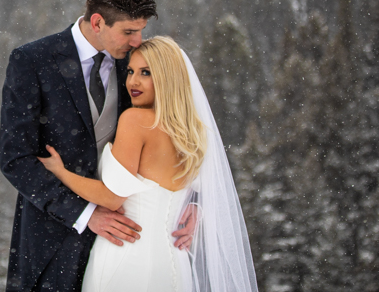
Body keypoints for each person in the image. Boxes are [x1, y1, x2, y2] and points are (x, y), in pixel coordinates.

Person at [1, 0, 194, 292]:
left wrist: (194, 202)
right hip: (54, 239)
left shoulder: (137, 65)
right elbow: (15, 159)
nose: (138, 41)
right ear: (97, 23)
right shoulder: (32, 61)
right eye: (129, 31)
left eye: (141, 31)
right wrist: (85, 213)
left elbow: (181, 128)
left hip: (132, 241)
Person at [38, 36, 259, 292]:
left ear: (167, 78)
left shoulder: (136, 120)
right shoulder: (193, 132)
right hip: (174, 264)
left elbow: (111, 198)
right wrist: (196, 208)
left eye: (146, 73)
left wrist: (60, 172)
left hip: (125, 258)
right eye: (131, 71)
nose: (133, 81)